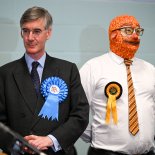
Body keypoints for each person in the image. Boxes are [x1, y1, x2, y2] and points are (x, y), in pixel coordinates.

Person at [0, 6, 89, 155]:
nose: (30, 37)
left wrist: (51, 139)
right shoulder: (5, 73)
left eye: (36, 31)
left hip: (58, 151)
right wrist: (19, 146)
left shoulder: (68, 70)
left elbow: (80, 115)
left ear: (48, 33)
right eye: (25, 31)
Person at [80, 14, 155, 155]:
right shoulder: (93, 67)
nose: (135, 36)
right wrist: (96, 137)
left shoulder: (150, 70)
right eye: (128, 31)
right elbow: (76, 111)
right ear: (113, 35)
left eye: (138, 31)